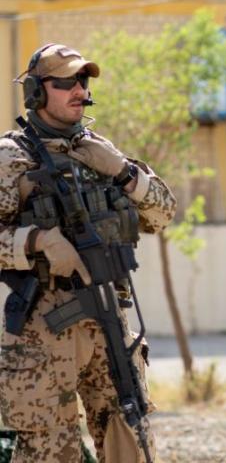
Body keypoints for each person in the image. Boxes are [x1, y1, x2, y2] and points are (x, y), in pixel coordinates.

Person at [0, 43, 176, 462]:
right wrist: (35, 242)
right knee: (49, 452)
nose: (79, 90)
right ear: (37, 93)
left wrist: (123, 171)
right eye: (65, 82)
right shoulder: (11, 158)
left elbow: (164, 213)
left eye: (83, 81)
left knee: (129, 442)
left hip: (108, 318)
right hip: (43, 330)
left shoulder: (100, 151)